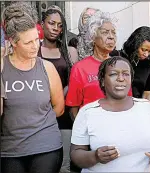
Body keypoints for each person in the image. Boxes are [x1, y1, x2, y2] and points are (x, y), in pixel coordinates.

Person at [70, 56, 150, 172]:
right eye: (113, 74)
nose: (121, 78)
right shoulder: (88, 112)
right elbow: (75, 154)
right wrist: (95, 156)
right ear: (102, 80)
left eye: (126, 74)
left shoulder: (147, 107)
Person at [1, 3, 64, 173]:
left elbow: (59, 108)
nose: (35, 46)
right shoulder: (2, 68)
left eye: (37, 39)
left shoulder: (47, 68)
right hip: (10, 148)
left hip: (45, 144)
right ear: (13, 42)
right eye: (28, 42)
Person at [66, 11, 132, 119]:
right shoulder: (80, 68)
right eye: (105, 32)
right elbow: (74, 108)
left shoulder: (122, 65)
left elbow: (128, 101)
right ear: (93, 37)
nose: (111, 37)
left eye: (113, 33)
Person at [38, 5, 74, 173]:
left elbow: (72, 82)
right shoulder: (34, 50)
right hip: (40, 113)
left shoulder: (68, 51)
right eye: (52, 23)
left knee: (64, 165)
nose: (56, 28)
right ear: (42, 24)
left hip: (64, 114)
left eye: (60, 26)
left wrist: (59, 97)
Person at [110, 26, 150, 101]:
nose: (146, 54)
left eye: (149, 51)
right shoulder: (114, 56)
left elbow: (147, 95)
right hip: (114, 107)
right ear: (134, 44)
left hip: (137, 108)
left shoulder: (148, 65)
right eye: (143, 50)